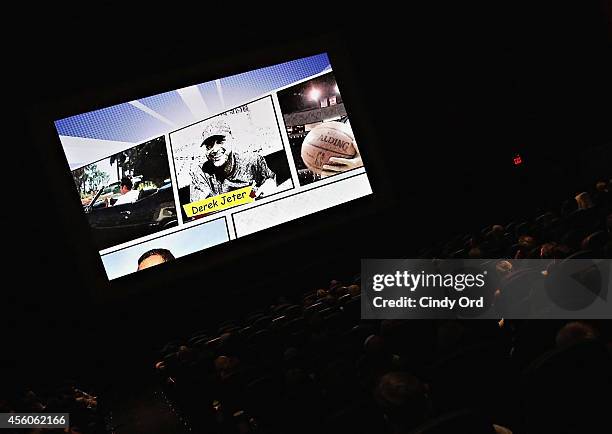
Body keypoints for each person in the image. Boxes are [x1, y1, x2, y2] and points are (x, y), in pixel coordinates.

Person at [189, 118, 277, 202]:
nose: (214, 150)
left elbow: (269, 179)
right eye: (209, 146)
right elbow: (198, 210)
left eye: (220, 141)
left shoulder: (252, 161)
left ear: (231, 140)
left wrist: (269, 185)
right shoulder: (201, 173)